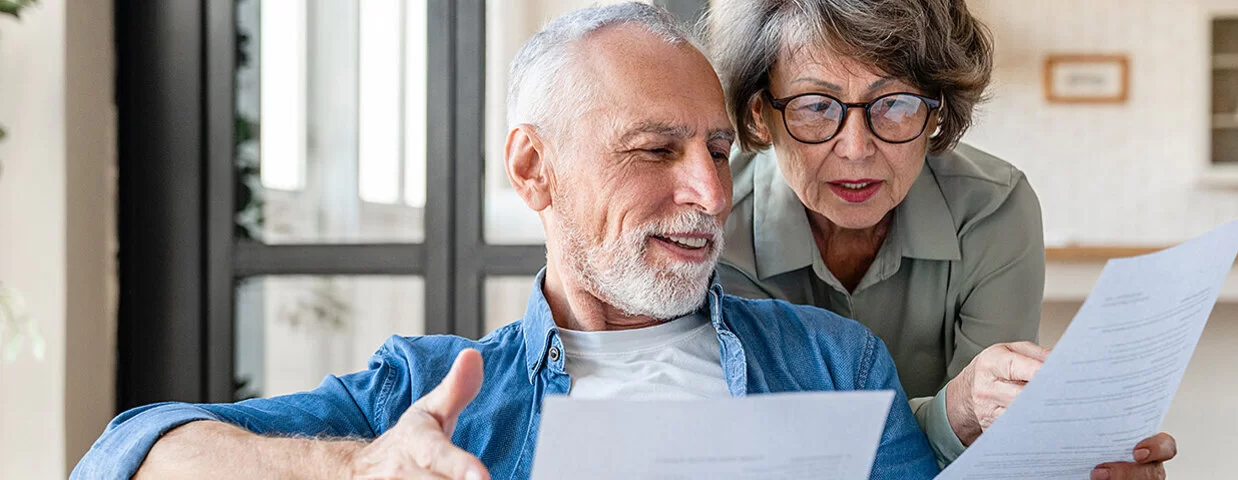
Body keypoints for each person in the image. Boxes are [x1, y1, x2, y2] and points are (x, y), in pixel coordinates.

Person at [73, 4, 937, 479]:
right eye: (656, 150)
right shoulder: (422, 395)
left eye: (717, 150)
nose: (711, 194)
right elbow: (128, 455)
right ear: (534, 170)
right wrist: (354, 470)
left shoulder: (838, 365)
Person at [707, 0, 1175, 477]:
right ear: (760, 112)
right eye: (814, 107)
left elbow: (993, 444)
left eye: (894, 104)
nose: (855, 149)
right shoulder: (716, 225)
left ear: (936, 114)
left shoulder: (994, 209)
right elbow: (780, 454)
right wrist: (951, 415)